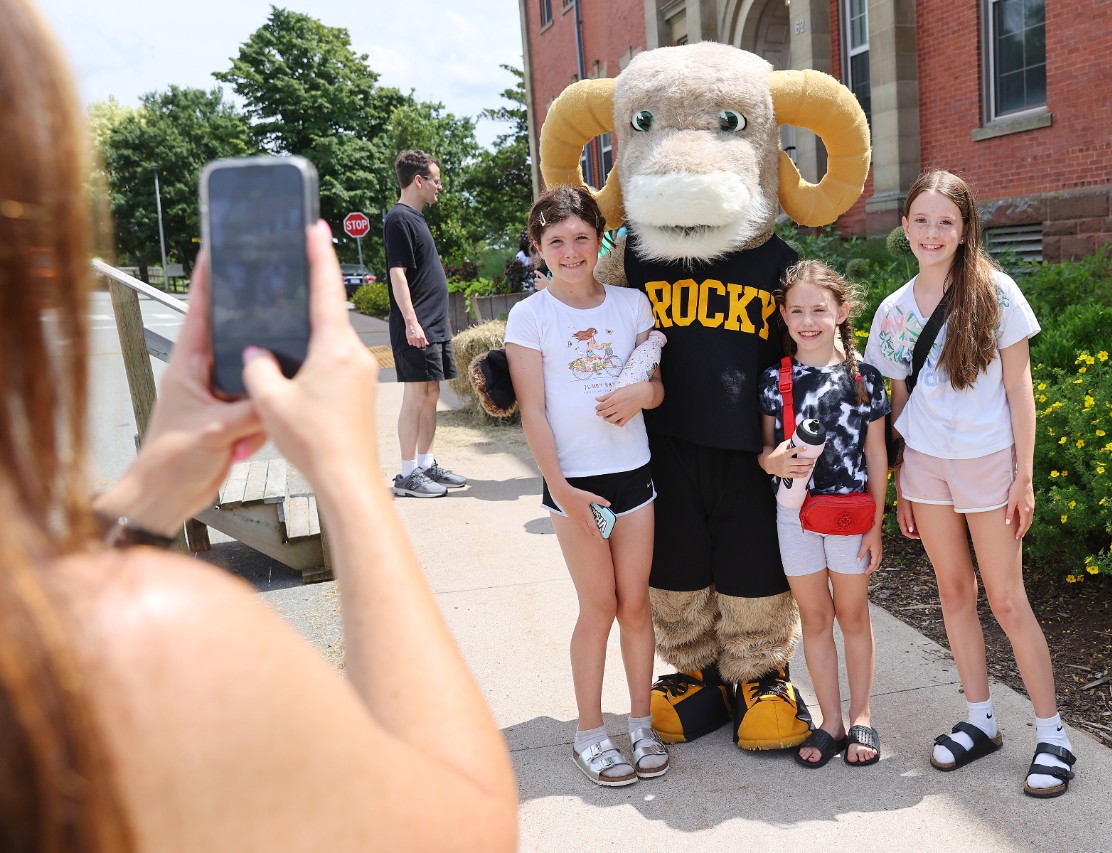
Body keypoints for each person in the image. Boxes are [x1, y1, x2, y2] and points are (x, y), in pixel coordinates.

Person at [0, 1, 519, 846]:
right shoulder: (141, 636)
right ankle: (407, 467)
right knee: (415, 404)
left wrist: (150, 490)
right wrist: (345, 474)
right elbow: (466, 821)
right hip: (413, 338)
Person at [864, 169, 1077, 798]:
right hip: (926, 467)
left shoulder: (997, 294)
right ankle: (981, 719)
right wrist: (902, 481)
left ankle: (1053, 735)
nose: (931, 233)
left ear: (964, 230)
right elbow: (898, 403)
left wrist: (1024, 476)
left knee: (1007, 601)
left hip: (988, 462)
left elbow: (1019, 388)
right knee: (954, 594)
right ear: (905, 227)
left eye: (945, 222)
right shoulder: (893, 311)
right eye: (921, 221)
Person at [504, 187, 668, 787]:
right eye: (556, 241)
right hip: (574, 484)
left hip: (634, 476)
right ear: (538, 247)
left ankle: (641, 724)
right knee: (597, 608)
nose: (570, 251)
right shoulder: (531, 317)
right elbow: (533, 412)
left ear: (600, 239)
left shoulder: (631, 305)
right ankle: (590, 733)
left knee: (635, 604)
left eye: (581, 237)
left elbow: (657, 390)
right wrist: (563, 491)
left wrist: (642, 393)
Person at [758, 260, 890, 769]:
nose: (807, 321)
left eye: (819, 309)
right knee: (815, 618)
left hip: (850, 517)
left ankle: (861, 715)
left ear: (842, 310)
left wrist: (876, 524)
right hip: (793, 516)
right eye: (797, 311)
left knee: (853, 615)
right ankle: (831, 721)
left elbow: (877, 454)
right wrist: (772, 462)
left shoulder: (864, 378)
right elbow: (764, 450)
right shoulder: (775, 378)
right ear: (784, 316)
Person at [384, 150, 468, 498]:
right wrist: (411, 322)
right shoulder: (398, 219)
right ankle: (407, 475)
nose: (439, 186)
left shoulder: (416, 219)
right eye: (436, 179)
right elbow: (397, 274)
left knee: (432, 393)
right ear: (418, 181)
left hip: (433, 325)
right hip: (417, 326)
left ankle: (426, 463)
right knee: (416, 395)